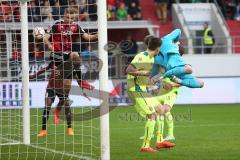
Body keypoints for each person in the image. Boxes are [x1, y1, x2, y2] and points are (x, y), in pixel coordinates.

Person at [126, 35, 174, 152]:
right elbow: (128, 70)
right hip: (135, 90)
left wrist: (157, 87)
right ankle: (145, 146)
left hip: (142, 89)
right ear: (157, 49)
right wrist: (144, 73)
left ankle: (159, 141)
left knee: (160, 109)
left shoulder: (151, 58)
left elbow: (146, 79)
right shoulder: (142, 57)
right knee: (152, 114)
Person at [44, 7, 97, 80]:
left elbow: (87, 37)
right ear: (64, 15)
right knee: (60, 78)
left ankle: (79, 78)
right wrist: (49, 44)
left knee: (75, 56)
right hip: (56, 53)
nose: (69, 20)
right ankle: (57, 70)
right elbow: (45, 37)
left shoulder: (76, 26)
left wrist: (97, 35)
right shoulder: (56, 24)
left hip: (67, 53)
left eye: (72, 18)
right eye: (67, 17)